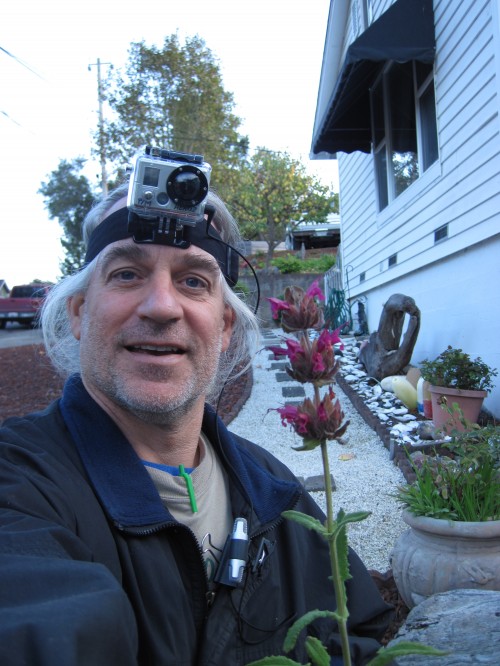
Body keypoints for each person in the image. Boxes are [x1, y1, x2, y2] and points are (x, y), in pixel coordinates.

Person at [0, 177, 392, 665]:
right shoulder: (17, 483)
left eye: (193, 281)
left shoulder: (274, 489)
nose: (162, 306)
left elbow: (355, 633)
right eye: (126, 274)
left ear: (225, 326)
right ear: (80, 313)